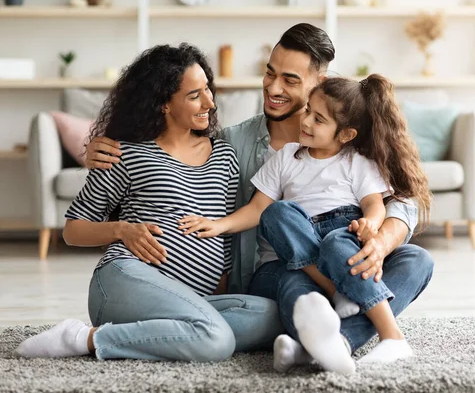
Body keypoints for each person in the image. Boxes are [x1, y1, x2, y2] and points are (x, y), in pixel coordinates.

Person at [84, 24, 434, 374]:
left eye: (291, 80)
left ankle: (336, 339)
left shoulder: (347, 134)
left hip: (346, 257)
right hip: (279, 272)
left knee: (416, 260)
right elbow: (170, 140)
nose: (273, 88)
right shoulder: (232, 142)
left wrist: (381, 241)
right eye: (270, 73)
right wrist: (109, 144)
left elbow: (403, 199)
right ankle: (339, 324)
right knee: (283, 235)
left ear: (320, 81)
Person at [16, 43, 283, 362]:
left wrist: (214, 298)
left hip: (194, 299)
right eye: (194, 95)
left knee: (273, 316)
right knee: (217, 340)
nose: (210, 103)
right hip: (124, 279)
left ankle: (176, 330)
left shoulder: (224, 155)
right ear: (163, 105)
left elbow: (222, 241)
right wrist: (121, 230)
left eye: (208, 90)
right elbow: (73, 231)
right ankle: (84, 338)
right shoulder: (125, 153)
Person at [178, 73, 431, 374]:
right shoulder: (287, 156)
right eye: (308, 111)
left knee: (416, 258)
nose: (306, 122)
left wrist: (371, 226)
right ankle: (340, 293)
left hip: (342, 249)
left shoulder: (357, 161)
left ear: (346, 134)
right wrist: (220, 225)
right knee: (279, 214)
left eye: (319, 119)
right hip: (294, 260)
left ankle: (336, 343)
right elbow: (258, 208)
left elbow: (374, 204)